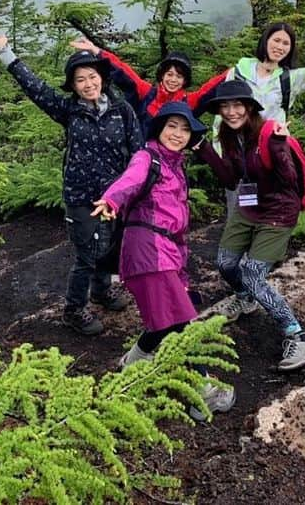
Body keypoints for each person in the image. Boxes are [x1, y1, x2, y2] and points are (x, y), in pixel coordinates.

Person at [0, 33, 141, 336]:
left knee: (109, 246)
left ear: (101, 78)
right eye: (80, 80)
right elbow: (35, 88)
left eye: (92, 77)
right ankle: (73, 309)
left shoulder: (123, 111)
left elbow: (138, 153)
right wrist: (6, 51)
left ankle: (101, 291)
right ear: (73, 85)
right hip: (80, 196)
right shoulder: (69, 111)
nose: (88, 84)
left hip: (114, 196)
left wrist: (133, 189)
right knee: (87, 254)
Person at [92, 101, 235, 420]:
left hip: (165, 252)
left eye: (185, 129)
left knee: (164, 319)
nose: (179, 134)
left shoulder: (175, 166)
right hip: (147, 252)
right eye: (172, 126)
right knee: (184, 322)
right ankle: (203, 390)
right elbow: (131, 179)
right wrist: (112, 198)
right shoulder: (148, 157)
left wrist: (181, 270)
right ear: (159, 128)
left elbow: (178, 225)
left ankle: (131, 367)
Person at [197, 80, 305, 372]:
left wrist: (279, 146)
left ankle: (298, 335)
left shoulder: (269, 133)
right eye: (225, 107)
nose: (231, 112)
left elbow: (289, 180)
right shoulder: (228, 135)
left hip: (278, 210)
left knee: (253, 273)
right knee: (226, 264)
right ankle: (245, 299)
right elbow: (230, 180)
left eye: (237, 105)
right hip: (250, 204)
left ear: (250, 107)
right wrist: (203, 149)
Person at [68, 38, 227, 135]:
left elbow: (211, 87)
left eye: (179, 76)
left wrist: (238, 71)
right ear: (162, 76)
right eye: (169, 74)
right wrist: (97, 51)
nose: (173, 80)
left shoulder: (188, 103)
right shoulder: (147, 93)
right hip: (139, 160)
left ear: (185, 81)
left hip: (169, 165)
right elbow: (124, 71)